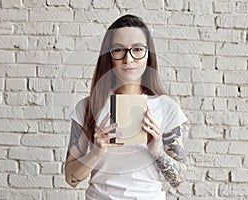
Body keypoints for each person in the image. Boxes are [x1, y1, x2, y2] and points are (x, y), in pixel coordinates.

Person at [65, 14, 187, 199]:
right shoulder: (89, 106)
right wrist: (97, 152)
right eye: (118, 50)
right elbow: (70, 178)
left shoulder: (167, 107)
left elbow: (178, 180)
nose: (128, 59)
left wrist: (156, 149)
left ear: (148, 54)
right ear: (109, 55)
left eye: (137, 49)